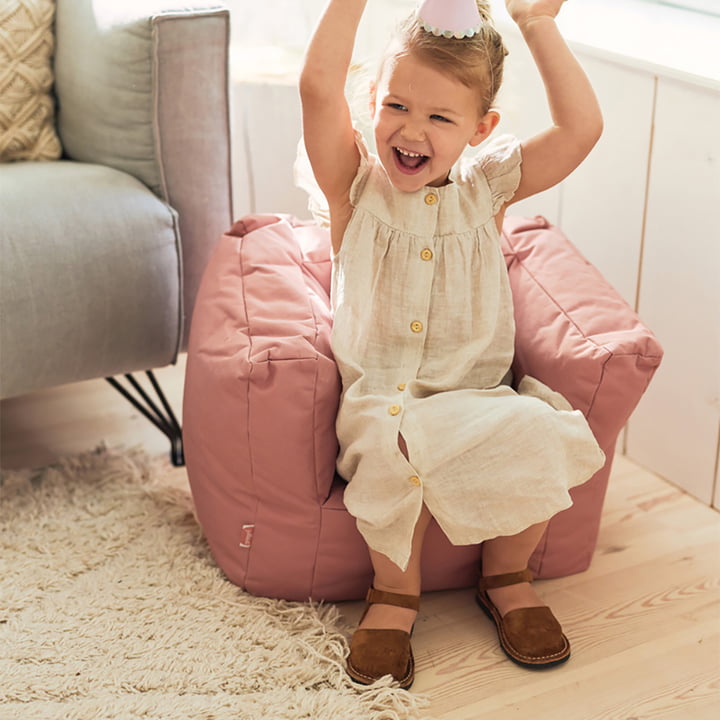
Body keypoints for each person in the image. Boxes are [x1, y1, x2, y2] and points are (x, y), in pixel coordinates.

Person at [298, 0, 605, 689]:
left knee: (536, 429)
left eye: (440, 117)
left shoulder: (486, 189)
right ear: (372, 101)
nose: (411, 131)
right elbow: (317, 89)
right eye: (396, 106)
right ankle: (394, 594)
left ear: (480, 129)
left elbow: (582, 129)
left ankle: (507, 576)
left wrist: (535, 22)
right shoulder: (352, 187)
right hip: (387, 401)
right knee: (388, 447)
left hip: (475, 397)